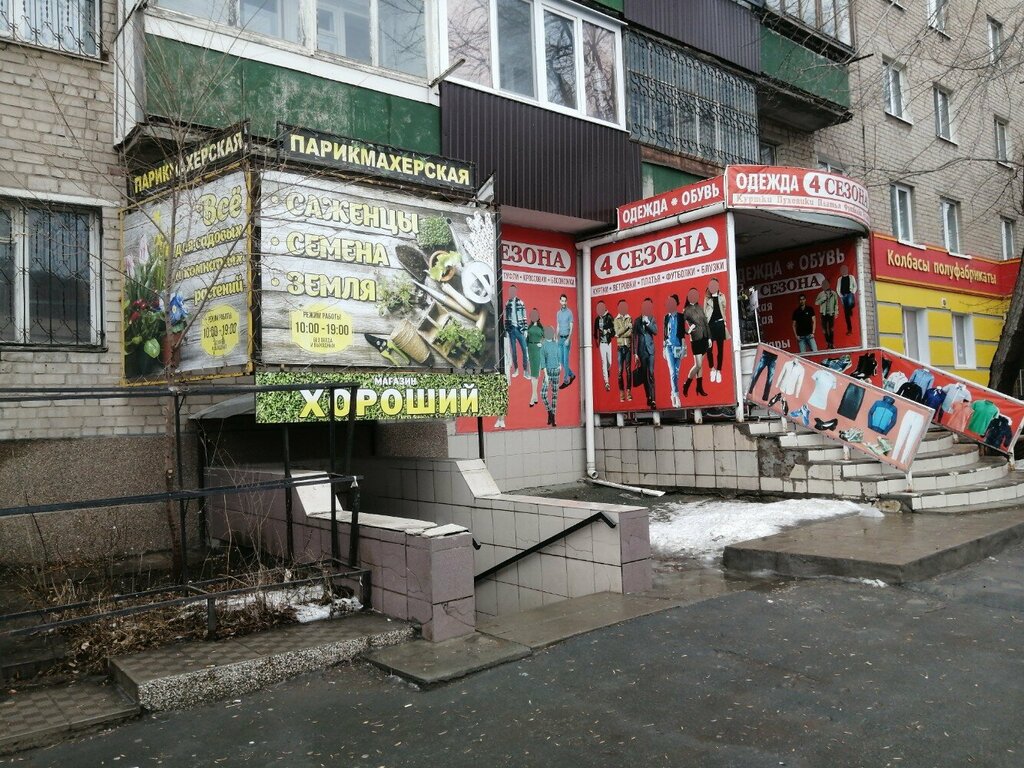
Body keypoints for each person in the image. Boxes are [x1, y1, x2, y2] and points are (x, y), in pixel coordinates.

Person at [682, 287, 709, 397]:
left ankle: (699, 387)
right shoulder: (686, 310)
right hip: (696, 339)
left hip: (704, 338)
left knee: (700, 365)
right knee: (698, 365)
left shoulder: (699, 307)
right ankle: (686, 384)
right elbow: (681, 326)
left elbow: (705, 323)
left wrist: (709, 338)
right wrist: (688, 331)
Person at [633, 297, 658, 409]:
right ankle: (648, 396)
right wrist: (635, 353)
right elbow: (634, 337)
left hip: (650, 350)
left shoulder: (651, 318)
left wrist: (647, 323)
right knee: (644, 375)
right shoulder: (637, 321)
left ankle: (653, 399)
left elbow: (655, 331)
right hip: (641, 351)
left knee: (651, 373)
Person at [703, 278, 728, 383]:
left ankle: (718, 370)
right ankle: (712, 369)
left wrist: (724, 321)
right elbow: (704, 312)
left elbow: (724, 308)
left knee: (720, 349)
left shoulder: (722, 296)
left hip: (720, 324)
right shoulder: (707, 298)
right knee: (709, 348)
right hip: (710, 325)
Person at [663, 294, 686, 408]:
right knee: (672, 372)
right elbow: (664, 334)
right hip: (668, 347)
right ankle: (676, 396)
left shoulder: (681, 317)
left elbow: (682, 334)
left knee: (676, 373)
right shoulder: (666, 317)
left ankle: (672, 394)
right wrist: (663, 348)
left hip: (678, 347)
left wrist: (683, 348)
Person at [540, 326, 562, 426]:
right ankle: (550, 413)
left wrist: (560, 365)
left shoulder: (555, 344)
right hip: (548, 372)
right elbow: (543, 362)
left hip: (556, 371)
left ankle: (553, 418)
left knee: (554, 395)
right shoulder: (543, 346)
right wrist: (546, 375)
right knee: (543, 394)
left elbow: (559, 355)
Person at [503, 285, 528, 377]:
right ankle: (516, 369)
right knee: (513, 351)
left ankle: (525, 370)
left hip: (520, 329)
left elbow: (524, 316)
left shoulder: (520, 302)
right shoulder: (507, 303)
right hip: (511, 329)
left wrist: (525, 329)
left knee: (524, 350)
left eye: (513, 291)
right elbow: (506, 318)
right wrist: (507, 329)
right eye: (510, 291)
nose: (511, 292)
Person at [613, 299, 633, 402]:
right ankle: (621, 392)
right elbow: (617, 332)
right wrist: (626, 327)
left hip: (628, 347)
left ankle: (628, 391)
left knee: (628, 370)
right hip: (620, 347)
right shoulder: (616, 320)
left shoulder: (629, 318)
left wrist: (622, 333)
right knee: (620, 371)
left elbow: (630, 333)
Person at [593, 300, 615, 392]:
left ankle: (607, 370)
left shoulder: (609, 317)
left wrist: (608, 331)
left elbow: (614, 330)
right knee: (603, 362)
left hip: (608, 343)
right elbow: (595, 331)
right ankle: (606, 382)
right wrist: (596, 341)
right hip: (602, 343)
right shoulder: (597, 319)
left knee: (609, 362)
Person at [526, 308, 545, 407]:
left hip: (537, 350)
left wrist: (541, 344)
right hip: (530, 349)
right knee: (532, 373)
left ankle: (533, 397)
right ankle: (535, 396)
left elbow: (545, 338)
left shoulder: (541, 328)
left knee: (535, 374)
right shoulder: (529, 327)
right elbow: (526, 339)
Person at [556, 293, 576, 389]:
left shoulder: (569, 312)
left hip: (566, 339)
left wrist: (569, 338)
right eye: (562, 301)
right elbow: (558, 326)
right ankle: (571, 374)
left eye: (565, 301)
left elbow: (571, 326)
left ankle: (566, 380)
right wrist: (556, 337)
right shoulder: (558, 313)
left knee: (566, 360)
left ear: (566, 302)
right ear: (560, 301)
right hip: (560, 339)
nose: (564, 302)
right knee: (561, 360)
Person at [815, 279, 839, 349]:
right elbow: (816, 303)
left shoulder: (833, 293)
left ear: (828, 284)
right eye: (823, 284)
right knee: (824, 330)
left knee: (831, 329)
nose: (824, 285)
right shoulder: (821, 294)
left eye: (825, 284)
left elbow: (836, 304)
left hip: (831, 313)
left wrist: (836, 312)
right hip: (823, 313)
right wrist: (822, 299)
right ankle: (828, 343)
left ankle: (831, 344)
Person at [838, 265, 857, 334]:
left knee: (851, 303)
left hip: (850, 294)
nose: (843, 271)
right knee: (846, 315)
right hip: (843, 296)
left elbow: (855, 286)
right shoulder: (839, 279)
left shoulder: (851, 277)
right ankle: (849, 329)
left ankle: (849, 310)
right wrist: (841, 296)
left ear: (847, 270)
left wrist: (852, 292)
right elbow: (838, 288)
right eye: (842, 270)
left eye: (844, 269)